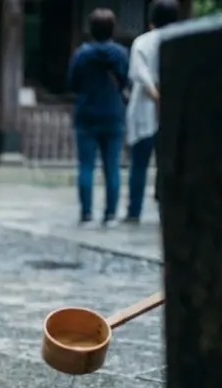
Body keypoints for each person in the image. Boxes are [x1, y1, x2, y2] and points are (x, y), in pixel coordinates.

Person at [67, 8, 130, 226]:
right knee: (112, 166)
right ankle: (110, 213)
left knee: (86, 166)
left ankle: (86, 213)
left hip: (86, 113)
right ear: (113, 29)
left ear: (91, 29)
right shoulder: (120, 54)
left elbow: (72, 83)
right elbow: (124, 81)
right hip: (112, 113)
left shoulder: (81, 54)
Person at [125, 0, 180, 224]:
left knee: (139, 164)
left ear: (151, 20)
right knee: (167, 166)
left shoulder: (142, 42)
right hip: (174, 109)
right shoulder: (181, 41)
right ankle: (166, 209)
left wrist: (155, 94)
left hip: (145, 108)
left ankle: (134, 210)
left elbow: (139, 73)